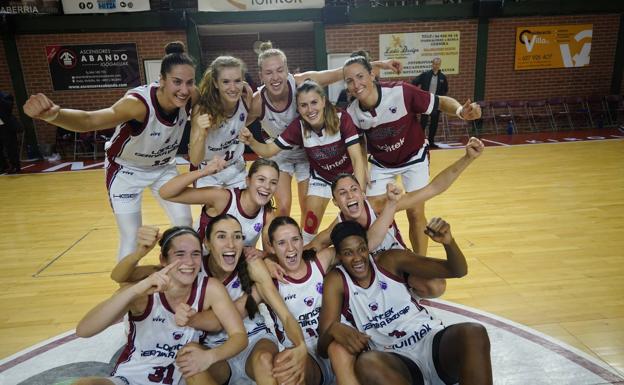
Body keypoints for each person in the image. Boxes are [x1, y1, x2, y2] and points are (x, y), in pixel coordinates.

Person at [23, 42, 197, 260]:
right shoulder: (137, 105)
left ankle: (179, 268)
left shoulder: (192, 97)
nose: (184, 89)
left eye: (189, 82)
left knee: (184, 222)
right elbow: (90, 120)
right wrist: (52, 115)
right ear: (161, 79)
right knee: (131, 237)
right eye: (177, 82)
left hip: (163, 168)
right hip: (126, 170)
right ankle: (126, 288)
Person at [318, 219, 493, 385]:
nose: (357, 258)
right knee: (367, 363)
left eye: (361, 249)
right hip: (396, 361)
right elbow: (322, 348)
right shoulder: (337, 280)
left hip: (430, 343)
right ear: (339, 256)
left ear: (368, 248)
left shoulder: (390, 260)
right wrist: (333, 329)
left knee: (473, 332)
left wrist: (448, 242)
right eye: (348, 253)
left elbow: (458, 270)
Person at [342, 54, 481, 257]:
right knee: (372, 214)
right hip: (381, 163)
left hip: (413, 157)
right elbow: (360, 146)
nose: (356, 84)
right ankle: (380, 258)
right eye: (349, 81)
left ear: (372, 75)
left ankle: (420, 263)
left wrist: (460, 111)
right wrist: (363, 173)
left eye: (360, 76)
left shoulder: (400, 92)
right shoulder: (352, 112)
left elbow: (440, 102)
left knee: (415, 212)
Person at [73, 226, 248, 385]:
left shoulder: (209, 288)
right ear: (163, 260)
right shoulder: (143, 292)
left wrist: (209, 356)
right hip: (134, 376)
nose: (189, 261)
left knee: (190, 356)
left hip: (184, 374)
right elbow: (84, 330)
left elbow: (239, 336)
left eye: (195, 254)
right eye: (180, 254)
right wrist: (135, 289)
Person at [247, 41, 402, 219]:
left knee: (308, 211)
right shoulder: (257, 102)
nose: (275, 77)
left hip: (308, 152)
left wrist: (378, 64)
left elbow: (338, 73)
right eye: (268, 73)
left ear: (287, 70)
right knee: (282, 209)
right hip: (280, 151)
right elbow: (235, 122)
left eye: (280, 70)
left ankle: (303, 242)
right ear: (260, 76)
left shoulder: (301, 83)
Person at [264, 213, 400, 385]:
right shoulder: (266, 280)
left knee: (338, 349)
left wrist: (390, 205)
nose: (291, 248)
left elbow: (364, 245)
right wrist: (264, 260)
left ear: (302, 239)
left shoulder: (321, 260)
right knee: (284, 369)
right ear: (271, 246)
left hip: (343, 341)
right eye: (282, 243)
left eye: (295, 239)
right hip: (307, 355)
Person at [175, 214, 309, 385]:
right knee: (189, 360)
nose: (230, 244)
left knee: (266, 360)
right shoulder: (193, 268)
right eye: (221, 236)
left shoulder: (252, 265)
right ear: (206, 243)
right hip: (216, 351)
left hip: (254, 343)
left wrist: (300, 345)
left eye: (237, 236)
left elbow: (285, 315)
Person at [240, 79, 367, 244]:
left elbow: (357, 158)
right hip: (321, 177)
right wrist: (252, 142)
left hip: (347, 176)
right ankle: (306, 252)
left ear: (323, 101)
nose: (310, 109)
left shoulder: (341, 118)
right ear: (298, 108)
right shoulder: (298, 126)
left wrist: (360, 190)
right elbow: (269, 151)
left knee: (360, 217)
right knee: (310, 221)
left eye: (314, 102)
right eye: (304, 105)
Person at [159, 158, 278, 250]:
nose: (267, 187)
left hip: (234, 268)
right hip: (202, 263)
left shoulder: (268, 216)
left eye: (273, 182)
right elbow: (166, 193)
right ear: (247, 180)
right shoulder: (223, 198)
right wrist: (203, 172)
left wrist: (262, 255)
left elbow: (271, 253)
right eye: (261, 179)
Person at [189, 56, 253, 189]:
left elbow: (239, 124)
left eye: (237, 81)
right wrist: (201, 134)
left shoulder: (246, 96)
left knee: (246, 209)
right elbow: (195, 160)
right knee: (216, 209)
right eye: (225, 82)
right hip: (209, 171)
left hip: (236, 169)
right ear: (216, 83)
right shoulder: (202, 110)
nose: (233, 87)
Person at [411, 58, 448, 149]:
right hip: (426, 102)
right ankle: (419, 141)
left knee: (434, 123)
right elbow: (414, 82)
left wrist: (440, 99)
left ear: (440, 65)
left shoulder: (442, 77)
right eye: (435, 64)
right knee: (423, 122)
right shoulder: (425, 75)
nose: (436, 66)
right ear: (432, 64)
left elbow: (446, 89)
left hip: (436, 103)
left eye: (438, 64)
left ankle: (431, 142)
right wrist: (418, 94)